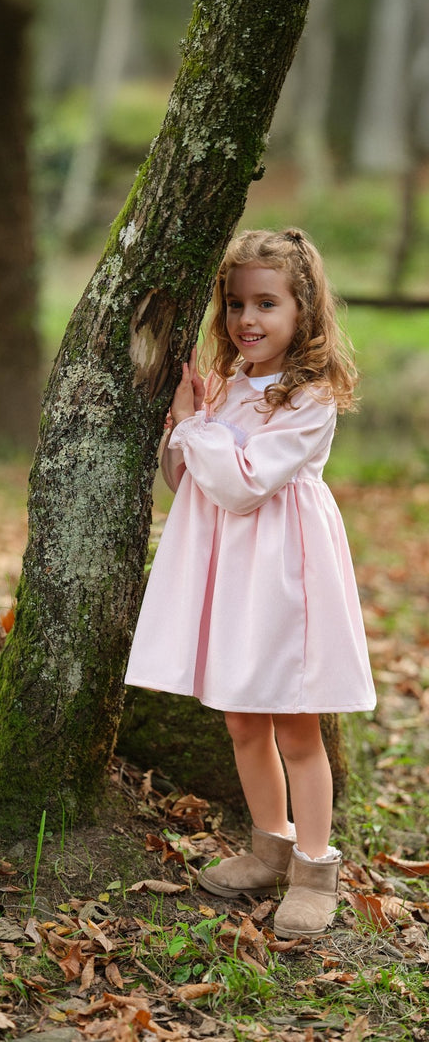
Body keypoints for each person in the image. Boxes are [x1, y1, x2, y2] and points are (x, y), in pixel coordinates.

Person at [125, 228, 375, 938]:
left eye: (267, 302)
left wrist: (196, 428)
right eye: (235, 304)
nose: (247, 320)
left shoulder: (309, 397)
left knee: (296, 724)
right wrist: (192, 423)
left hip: (284, 576)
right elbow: (189, 483)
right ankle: (270, 842)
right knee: (241, 718)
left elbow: (241, 486)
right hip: (230, 573)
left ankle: (315, 866)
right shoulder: (232, 384)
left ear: (305, 310)